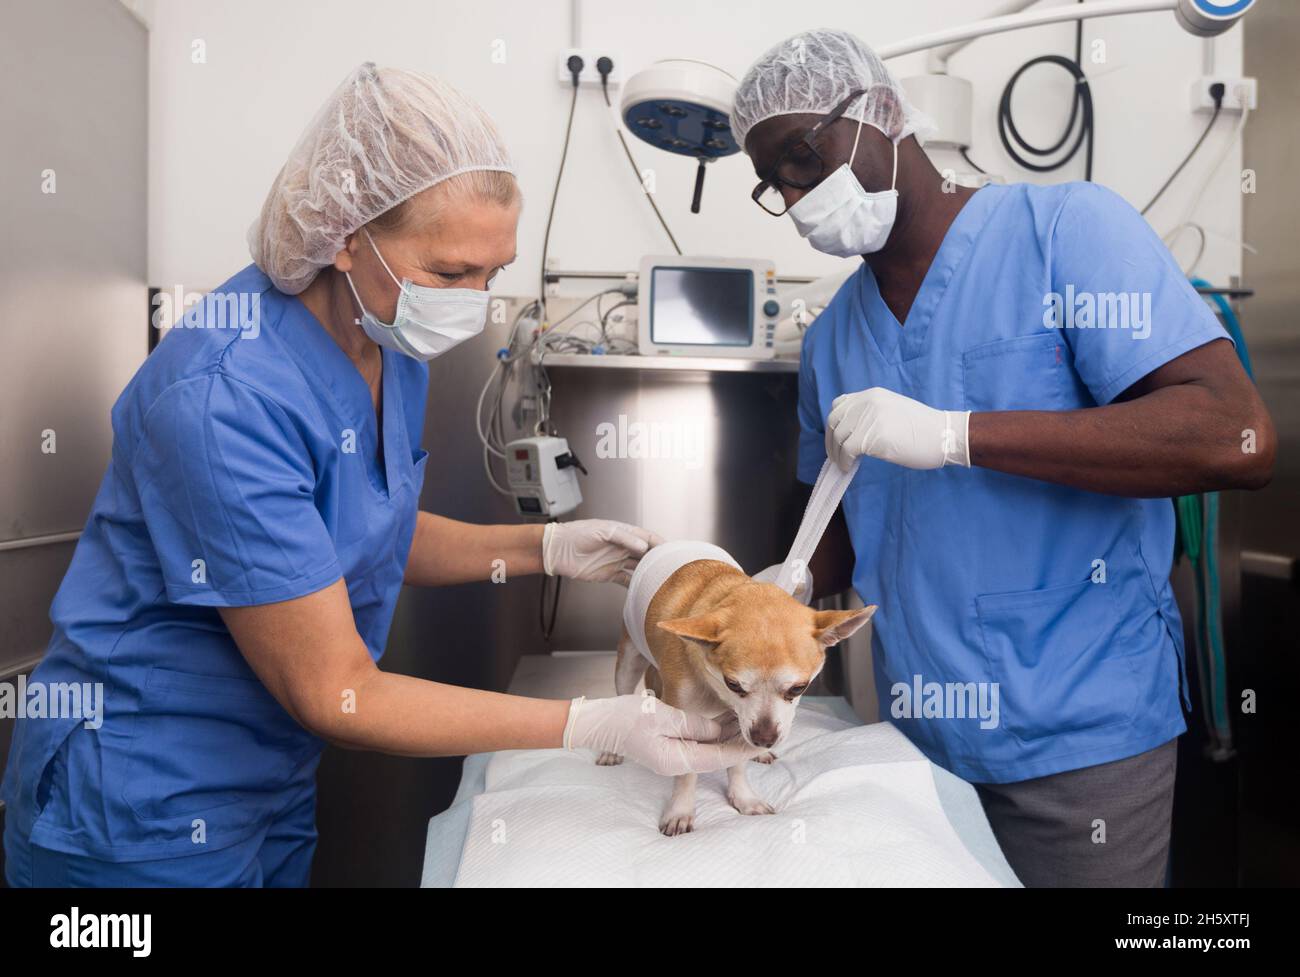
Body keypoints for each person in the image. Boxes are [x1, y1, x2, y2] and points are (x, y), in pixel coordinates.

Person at [1, 63, 760, 888]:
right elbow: (334, 690)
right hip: (137, 803)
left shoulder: (391, 341)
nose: (472, 303)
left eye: (492, 274)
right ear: (344, 234)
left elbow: (364, 530)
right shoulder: (223, 398)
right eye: (449, 273)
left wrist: (547, 547)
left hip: (269, 782)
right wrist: (591, 721)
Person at [731, 29, 1275, 887]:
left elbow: (1233, 434)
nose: (797, 195)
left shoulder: (1067, 232)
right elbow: (831, 531)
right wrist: (751, 599)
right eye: (775, 181)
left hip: (1082, 736)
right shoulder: (836, 335)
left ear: (882, 112)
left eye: (805, 156)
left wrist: (956, 434)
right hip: (918, 739)